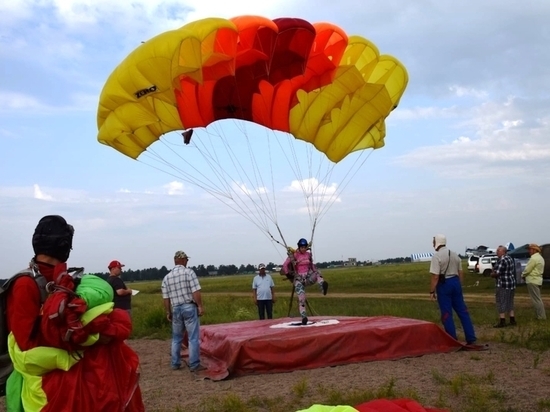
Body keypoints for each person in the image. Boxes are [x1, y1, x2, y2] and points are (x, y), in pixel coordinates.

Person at [5, 215, 144, 411]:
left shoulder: (67, 279)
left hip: (82, 383)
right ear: (64, 244)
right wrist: (89, 337)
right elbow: (26, 346)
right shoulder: (25, 285)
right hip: (51, 389)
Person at [161, 250, 206, 372]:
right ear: (182, 260)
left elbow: (166, 298)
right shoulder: (189, 273)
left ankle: (175, 363)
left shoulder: (167, 277)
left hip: (176, 308)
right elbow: (195, 291)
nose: (187, 261)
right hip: (189, 307)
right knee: (193, 338)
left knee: (176, 338)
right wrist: (200, 306)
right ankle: (195, 364)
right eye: (186, 259)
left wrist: (168, 312)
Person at [429, 234, 477, 344]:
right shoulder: (455, 255)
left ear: (437, 242)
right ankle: (471, 337)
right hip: (456, 282)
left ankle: (451, 340)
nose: (432, 244)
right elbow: (461, 272)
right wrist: (458, 285)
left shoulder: (437, 256)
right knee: (463, 311)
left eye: (433, 242)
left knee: (446, 313)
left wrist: (432, 291)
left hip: (444, 284)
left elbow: (435, 276)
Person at [281, 238, 328, 325]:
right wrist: (288, 274)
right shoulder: (294, 255)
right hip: (299, 279)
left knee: (318, 272)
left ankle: (322, 287)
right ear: (299, 247)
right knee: (301, 298)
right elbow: (285, 265)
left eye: (305, 247)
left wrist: (314, 271)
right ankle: (304, 317)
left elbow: (312, 266)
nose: (303, 249)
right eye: (301, 247)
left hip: (308, 277)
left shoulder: (308, 255)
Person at [491, 245, 517, 327]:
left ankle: (502, 321)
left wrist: (492, 274)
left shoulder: (502, 260)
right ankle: (512, 319)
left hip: (503, 284)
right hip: (511, 283)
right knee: (510, 301)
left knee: (500, 301)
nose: (497, 252)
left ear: (503, 252)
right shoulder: (509, 258)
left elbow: (497, 273)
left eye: (498, 250)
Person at [521, 244, 546, 320]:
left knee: (536, 300)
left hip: (532, 280)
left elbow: (527, 269)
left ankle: (541, 316)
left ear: (534, 250)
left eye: (530, 249)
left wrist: (523, 275)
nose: (529, 251)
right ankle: (540, 315)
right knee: (538, 298)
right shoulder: (540, 258)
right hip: (538, 279)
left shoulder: (533, 258)